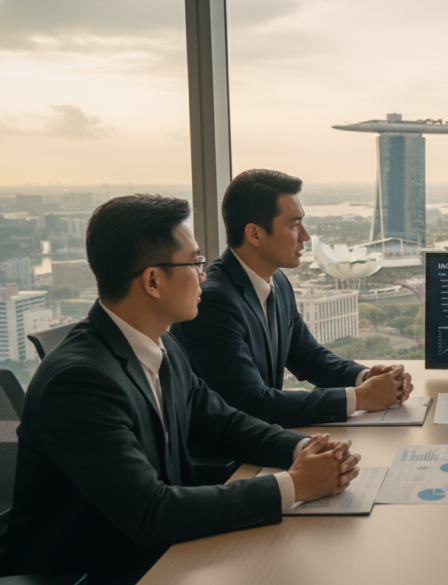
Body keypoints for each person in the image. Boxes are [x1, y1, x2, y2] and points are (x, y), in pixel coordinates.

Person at [0, 195, 360, 584]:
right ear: (153, 280)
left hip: (165, 554)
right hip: (98, 571)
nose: (205, 276)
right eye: (195, 263)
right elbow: (151, 512)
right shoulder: (78, 383)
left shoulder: (161, 343)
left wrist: (301, 449)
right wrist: (295, 485)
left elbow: (223, 423)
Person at [172, 169, 412, 428]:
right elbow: (252, 404)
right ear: (254, 234)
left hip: (265, 439)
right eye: (294, 224)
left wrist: (366, 376)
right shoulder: (214, 302)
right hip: (226, 459)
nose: (305, 236)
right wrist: (361, 397)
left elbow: (308, 357)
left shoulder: (278, 282)